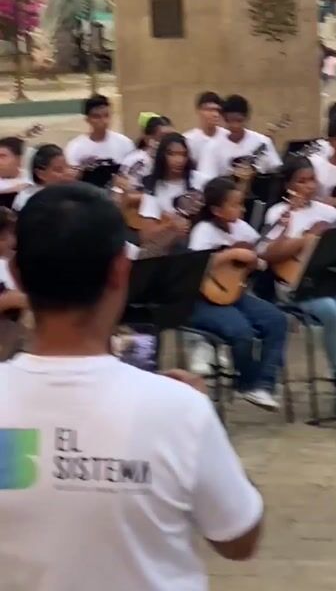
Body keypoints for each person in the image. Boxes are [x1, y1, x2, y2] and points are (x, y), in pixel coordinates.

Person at [0, 183, 263, 590]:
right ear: (121, 270)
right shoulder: (180, 410)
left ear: (16, 272)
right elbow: (239, 538)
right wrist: (205, 430)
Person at [263, 156, 336, 415]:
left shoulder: (326, 211)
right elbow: (270, 254)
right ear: (288, 185)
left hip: (331, 280)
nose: (309, 186)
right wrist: (307, 238)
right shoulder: (278, 213)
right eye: (301, 181)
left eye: (312, 180)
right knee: (330, 312)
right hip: (296, 284)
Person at [189, 178, 287, 411]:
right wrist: (230, 255)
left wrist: (255, 261)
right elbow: (195, 267)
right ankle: (247, 381)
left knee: (276, 320)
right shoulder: (203, 231)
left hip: (235, 293)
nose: (242, 209)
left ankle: (264, 385)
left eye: (241, 204)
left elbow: (261, 258)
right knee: (241, 331)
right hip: (202, 300)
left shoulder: (241, 228)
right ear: (216, 210)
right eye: (235, 205)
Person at [139, 132, 206, 253]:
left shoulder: (200, 180)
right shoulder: (153, 188)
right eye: (172, 154)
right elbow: (146, 235)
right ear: (162, 156)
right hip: (171, 248)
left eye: (183, 154)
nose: (179, 160)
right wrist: (171, 225)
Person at [198, 95, 282, 180]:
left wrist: (255, 173)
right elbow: (206, 179)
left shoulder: (263, 142)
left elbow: (275, 172)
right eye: (230, 120)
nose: (235, 126)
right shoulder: (212, 147)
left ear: (246, 118)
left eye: (239, 120)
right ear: (224, 119)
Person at [65, 94, 134, 172]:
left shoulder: (125, 143)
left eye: (106, 116)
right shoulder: (75, 147)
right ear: (87, 119)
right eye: (97, 117)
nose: (103, 121)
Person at [12, 144, 70, 212]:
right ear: (40, 174)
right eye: (58, 170)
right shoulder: (28, 200)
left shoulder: (67, 193)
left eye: (68, 167)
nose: (67, 173)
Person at [184, 91, 227, 163]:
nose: (215, 114)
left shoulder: (227, 137)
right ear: (199, 111)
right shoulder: (188, 140)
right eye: (210, 110)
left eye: (217, 110)